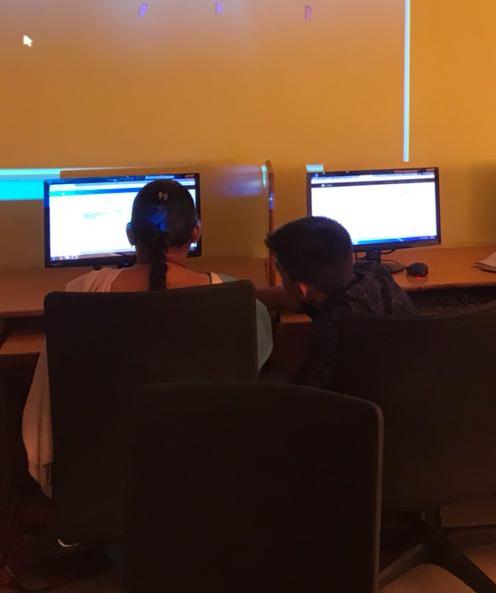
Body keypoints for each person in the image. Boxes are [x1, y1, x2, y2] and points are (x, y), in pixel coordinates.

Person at [21, 179, 274, 496]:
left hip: (106, 474)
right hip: (208, 470)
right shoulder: (238, 300)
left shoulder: (81, 292)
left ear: (130, 234)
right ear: (196, 232)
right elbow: (249, 372)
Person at [264, 216, 416, 389]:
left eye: (282, 276)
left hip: (366, 401)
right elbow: (297, 300)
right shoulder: (372, 271)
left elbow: (306, 393)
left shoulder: (332, 327)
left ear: (301, 289)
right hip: (414, 385)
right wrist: (249, 292)